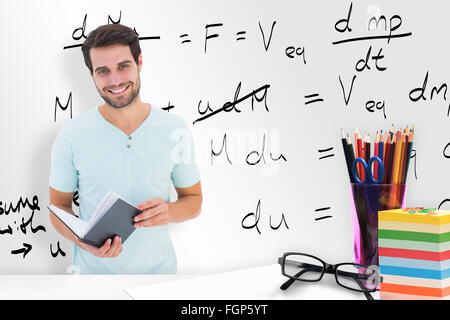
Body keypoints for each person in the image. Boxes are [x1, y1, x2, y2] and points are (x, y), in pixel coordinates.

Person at [48, 23, 202, 274]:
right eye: (103, 71)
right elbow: (58, 208)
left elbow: (194, 200)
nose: (115, 80)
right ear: (92, 76)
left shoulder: (176, 129)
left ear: (139, 62)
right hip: (92, 284)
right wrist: (84, 242)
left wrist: (169, 211)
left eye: (123, 66)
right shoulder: (71, 135)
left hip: (159, 282)